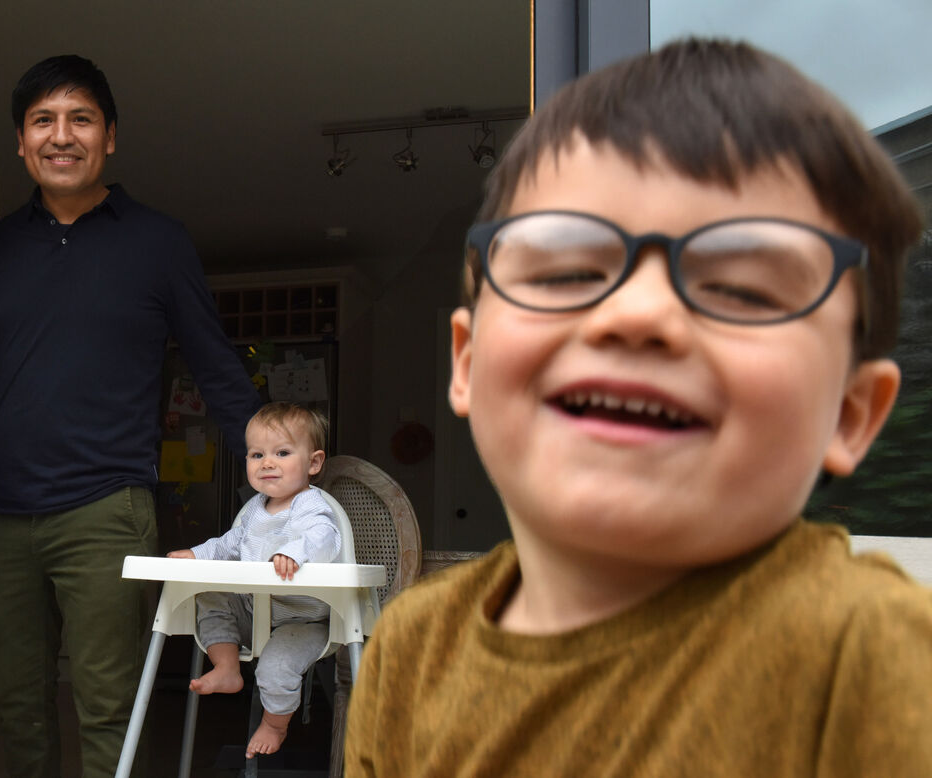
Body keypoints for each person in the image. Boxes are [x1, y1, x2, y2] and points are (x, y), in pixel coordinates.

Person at [344, 38, 932, 776]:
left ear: (851, 414)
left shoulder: (880, 663)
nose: (637, 313)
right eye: (566, 272)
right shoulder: (408, 649)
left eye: (742, 288)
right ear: (466, 363)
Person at [0, 54, 261, 778]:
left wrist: (279, 472)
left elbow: (215, 364)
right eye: (43, 120)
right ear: (20, 141)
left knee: (110, 708)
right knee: (17, 706)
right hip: (2, 516)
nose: (62, 136)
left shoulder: (158, 241)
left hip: (107, 511)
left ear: (110, 136)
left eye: (81, 119)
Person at [168, 402, 340, 759]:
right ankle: (227, 666)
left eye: (282, 453)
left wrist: (294, 552)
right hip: (254, 611)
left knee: (275, 669)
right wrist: (196, 555)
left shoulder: (311, 505)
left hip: (303, 620)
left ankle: (275, 723)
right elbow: (227, 545)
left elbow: (323, 537)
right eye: (257, 454)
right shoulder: (253, 510)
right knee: (210, 594)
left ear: (314, 463)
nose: (267, 463)